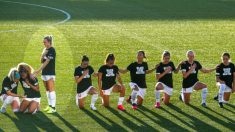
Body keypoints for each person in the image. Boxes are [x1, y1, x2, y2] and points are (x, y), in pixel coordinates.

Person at [34, 36, 56, 113]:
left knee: (51, 90)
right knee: (47, 90)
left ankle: (53, 108)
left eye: (45, 42)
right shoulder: (45, 49)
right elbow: (41, 60)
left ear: (49, 42)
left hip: (50, 73)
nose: (43, 43)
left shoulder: (52, 50)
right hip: (44, 73)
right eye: (43, 42)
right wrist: (43, 54)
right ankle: (49, 106)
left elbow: (47, 61)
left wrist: (38, 70)